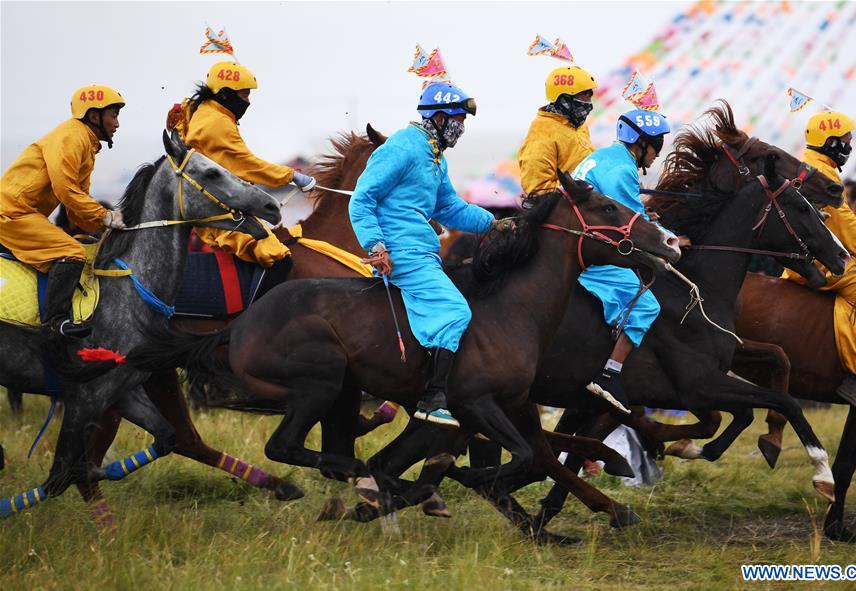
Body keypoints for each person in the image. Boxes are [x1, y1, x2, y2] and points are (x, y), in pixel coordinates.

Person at [348, 81, 495, 428]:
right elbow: (361, 199)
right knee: (455, 310)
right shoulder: (402, 147)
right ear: (441, 118)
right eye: (459, 119)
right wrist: (376, 246)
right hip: (401, 252)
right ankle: (433, 398)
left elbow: (451, 209)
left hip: (423, 252)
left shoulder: (435, 157)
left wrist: (496, 223)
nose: (463, 128)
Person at [782, 111, 856, 415]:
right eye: (846, 141)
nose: (849, 146)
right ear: (829, 142)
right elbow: (847, 226)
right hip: (821, 264)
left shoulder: (810, 166)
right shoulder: (822, 174)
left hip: (801, 259)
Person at [170, 61, 317, 296]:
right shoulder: (216, 123)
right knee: (277, 257)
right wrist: (292, 176)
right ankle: (252, 320)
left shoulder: (210, 112)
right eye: (245, 94)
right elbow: (246, 165)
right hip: (214, 213)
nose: (248, 101)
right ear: (226, 94)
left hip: (210, 204)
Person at [0, 85, 127, 340]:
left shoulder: (87, 145)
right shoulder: (73, 137)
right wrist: (104, 215)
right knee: (72, 252)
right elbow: (65, 189)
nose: (117, 123)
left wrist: (102, 229)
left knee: (85, 245)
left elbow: (75, 208)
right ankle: (54, 323)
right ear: (94, 116)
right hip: (12, 213)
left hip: (24, 213)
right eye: (113, 115)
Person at [571, 109, 677, 413]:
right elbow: (633, 224)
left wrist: (648, 219)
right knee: (647, 305)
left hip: (579, 242)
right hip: (589, 252)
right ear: (640, 142)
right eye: (656, 144)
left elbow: (631, 215)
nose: (658, 153)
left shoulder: (605, 157)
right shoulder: (622, 170)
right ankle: (609, 375)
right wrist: (671, 238)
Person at [519, 65, 596, 193]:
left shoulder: (580, 125)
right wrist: (578, 188)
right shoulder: (542, 131)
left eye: (591, 94)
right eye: (586, 94)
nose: (589, 101)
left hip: (590, 200)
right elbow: (536, 188)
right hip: (570, 206)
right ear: (565, 99)